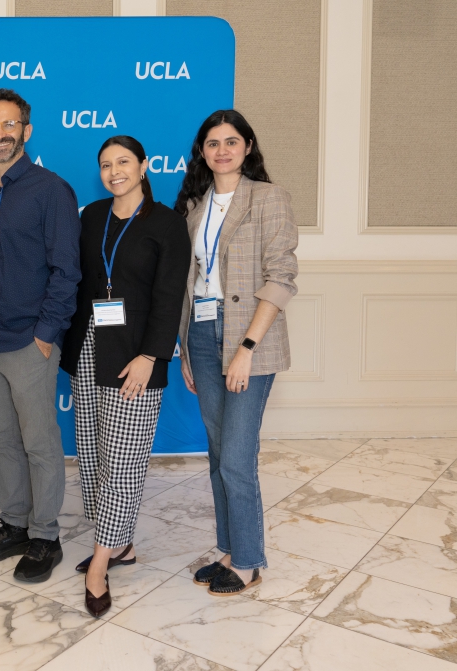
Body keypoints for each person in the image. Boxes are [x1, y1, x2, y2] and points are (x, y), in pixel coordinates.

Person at [60, 136, 191, 616]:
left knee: (125, 461)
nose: (114, 171)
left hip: (136, 358)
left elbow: (170, 294)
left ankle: (99, 562)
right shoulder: (91, 216)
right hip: (89, 347)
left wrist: (152, 356)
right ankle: (121, 545)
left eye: (123, 162)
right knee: (93, 457)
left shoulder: (167, 224)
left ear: (144, 166)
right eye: (106, 164)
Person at [175, 110, 298, 596]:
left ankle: (248, 560)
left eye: (231, 141)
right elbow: (189, 283)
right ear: (202, 152)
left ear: (248, 146)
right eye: (212, 143)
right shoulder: (194, 206)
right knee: (218, 453)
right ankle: (228, 549)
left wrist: (247, 346)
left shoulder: (269, 199)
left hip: (249, 336)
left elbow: (281, 277)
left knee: (237, 457)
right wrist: (185, 347)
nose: (222, 150)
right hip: (202, 336)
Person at [0, 89, 82, 583]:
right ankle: (13, 523)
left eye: (9, 126)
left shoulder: (51, 189)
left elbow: (66, 271)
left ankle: (45, 535)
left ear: (26, 131)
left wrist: (46, 335)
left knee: (39, 443)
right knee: (4, 441)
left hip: (28, 343)